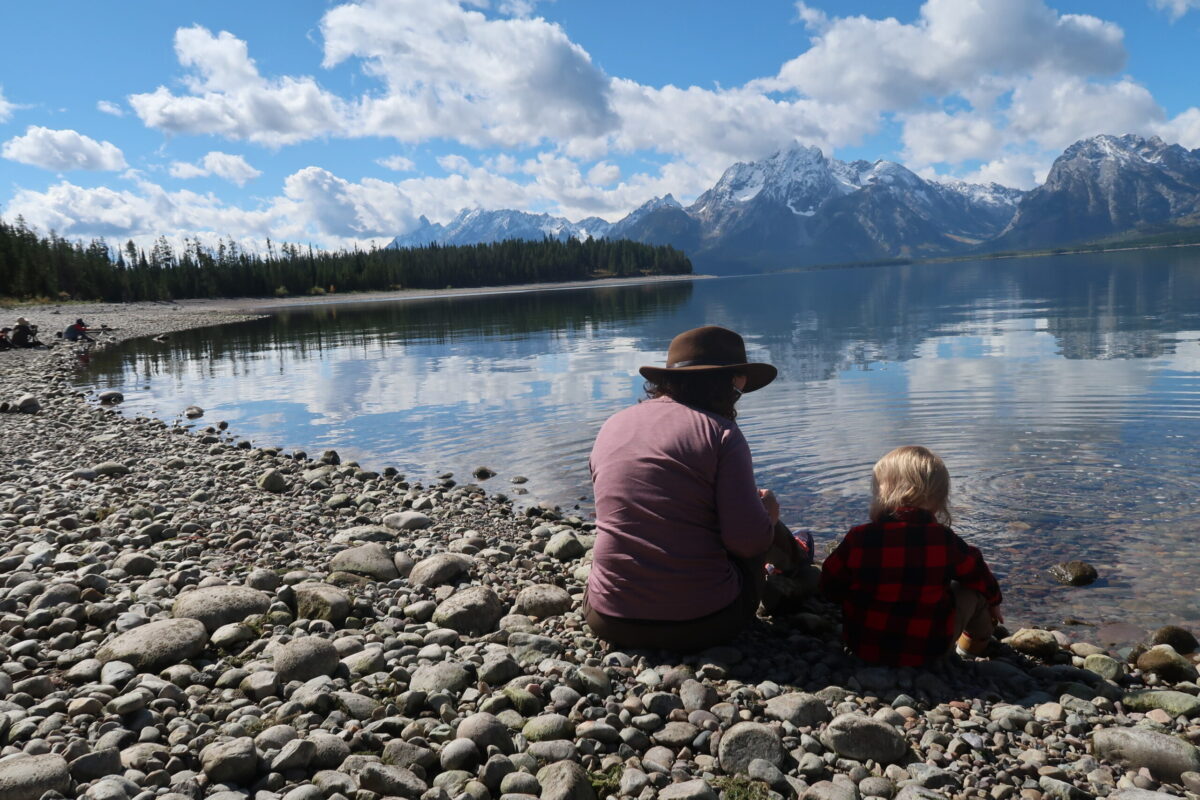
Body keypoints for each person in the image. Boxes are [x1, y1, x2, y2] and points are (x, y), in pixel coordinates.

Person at [583, 325, 810, 651]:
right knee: (758, 516)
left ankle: (794, 563)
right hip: (703, 623)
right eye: (740, 383)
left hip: (608, 617)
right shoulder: (722, 434)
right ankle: (799, 573)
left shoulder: (612, 425)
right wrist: (770, 515)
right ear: (731, 383)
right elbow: (747, 541)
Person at [820, 445, 1004, 666]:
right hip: (929, 651)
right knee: (973, 591)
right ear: (938, 501)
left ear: (881, 494)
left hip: (864, 646)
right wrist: (994, 601)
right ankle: (969, 650)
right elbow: (978, 573)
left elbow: (829, 584)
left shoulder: (859, 538)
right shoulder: (944, 540)